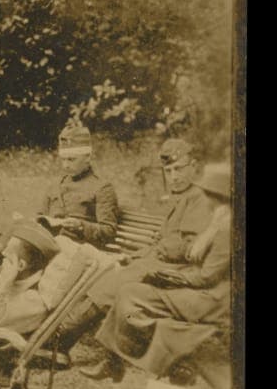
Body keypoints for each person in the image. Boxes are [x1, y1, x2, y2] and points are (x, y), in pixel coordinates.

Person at [55, 138, 215, 353]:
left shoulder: (200, 199)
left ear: (194, 167)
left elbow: (189, 247)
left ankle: (61, 338)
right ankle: (64, 340)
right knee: (107, 275)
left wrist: (153, 253)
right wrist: (135, 256)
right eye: (168, 171)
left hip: (177, 273)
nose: (174, 177)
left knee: (113, 284)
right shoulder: (182, 197)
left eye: (179, 169)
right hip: (158, 264)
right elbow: (161, 240)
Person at [81, 163, 232, 385]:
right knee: (129, 292)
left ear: (220, 198)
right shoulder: (218, 223)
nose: (205, 199)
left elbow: (208, 277)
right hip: (201, 290)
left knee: (131, 295)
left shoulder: (228, 229)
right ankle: (117, 360)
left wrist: (166, 277)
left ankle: (165, 361)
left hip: (211, 300)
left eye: (209, 194)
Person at [37, 121, 119, 247]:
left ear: (87, 157)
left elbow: (109, 232)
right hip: (50, 244)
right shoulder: (56, 185)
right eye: (63, 159)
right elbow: (40, 216)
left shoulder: (102, 187)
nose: (66, 165)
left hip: (78, 248)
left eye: (71, 159)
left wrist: (81, 226)